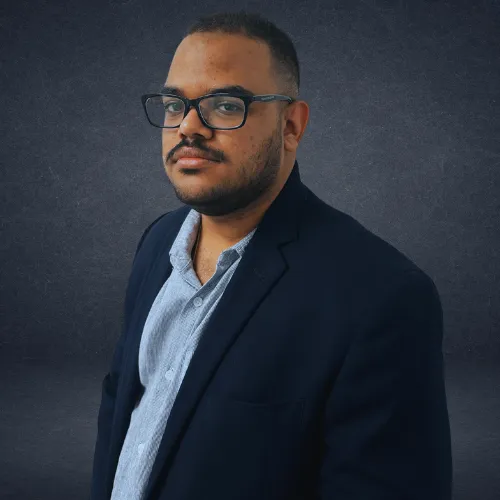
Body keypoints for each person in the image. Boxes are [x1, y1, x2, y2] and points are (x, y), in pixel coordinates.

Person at [90, 10, 452, 500]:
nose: (188, 127)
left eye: (225, 105)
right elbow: (122, 406)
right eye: (175, 105)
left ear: (291, 126)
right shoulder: (158, 241)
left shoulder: (381, 297)